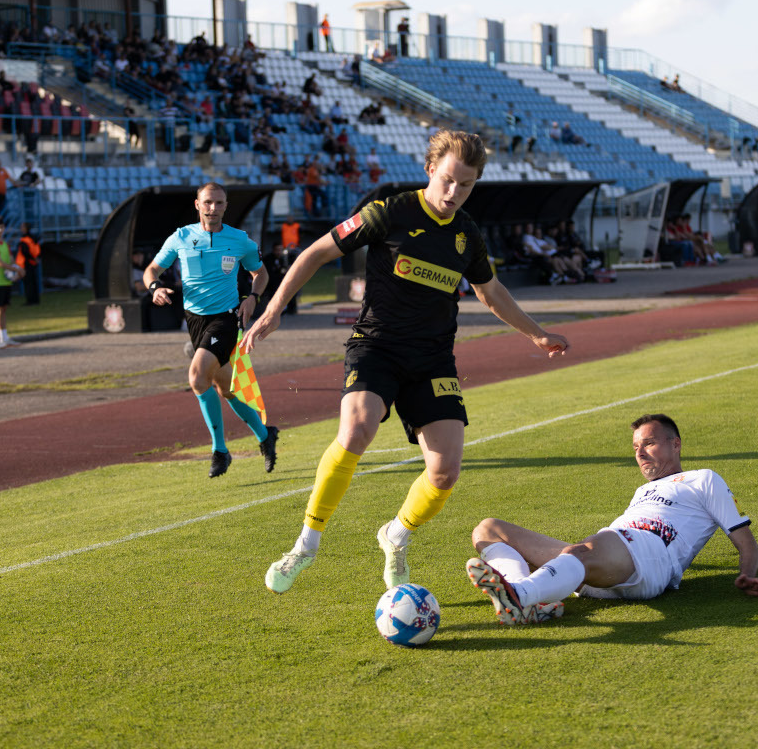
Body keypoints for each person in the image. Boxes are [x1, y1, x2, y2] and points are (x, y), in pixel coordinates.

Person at [242, 130, 570, 595]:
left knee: (444, 472)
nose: (454, 193)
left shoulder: (466, 234)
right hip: (376, 345)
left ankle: (396, 535)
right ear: (429, 170)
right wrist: (273, 310)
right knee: (356, 430)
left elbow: (491, 292)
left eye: (467, 185)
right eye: (448, 180)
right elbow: (316, 251)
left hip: (433, 359)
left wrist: (537, 334)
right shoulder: (389, 212)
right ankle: (306, 545)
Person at [465, 413, 758, 625]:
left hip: (651, 557)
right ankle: (526, 603)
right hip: (608, 563)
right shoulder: (642, 490)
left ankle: (519, 595)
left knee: (580, 551)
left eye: (649, 443)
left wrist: (747, 574)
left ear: (675, 444)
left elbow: (746, 542)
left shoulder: (703, 479)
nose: (640, 453)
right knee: (489, 529)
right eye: (636, 447)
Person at [144, 182, 279, 479]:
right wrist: (154, 287)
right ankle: (265, 434)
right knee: (226, 389)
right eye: (208, 203)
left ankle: (220, 450)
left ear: (226, 205)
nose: (213, 208)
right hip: (194, 320)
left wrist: (252, 298)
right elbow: (151, 270)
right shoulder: (181, 237)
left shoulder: (240, 240)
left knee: (196, 376)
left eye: (219, 203)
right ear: (197, 205)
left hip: (226, 319)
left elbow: (261, 273)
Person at [0, 216, 23, 349]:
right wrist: (15, 269)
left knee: (3, 309)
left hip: (6, 281)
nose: (0, 230)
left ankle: (4, 337)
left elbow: (11, 261)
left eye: (1, 227)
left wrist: (18, 271)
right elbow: (0, 263)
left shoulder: (5, 244)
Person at [14, 222, 43, 305]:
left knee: (28, 283)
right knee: (34, 282)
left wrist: (32, 258)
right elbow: (38, 249)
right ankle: (36, 299)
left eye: (22, 227)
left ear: (25, 228)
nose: (21, 228)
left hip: (26, 263)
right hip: (33, 262)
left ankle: (30, 300)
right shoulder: (33, 238)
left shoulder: (24, 239)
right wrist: (37, 258)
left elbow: (25, 252)